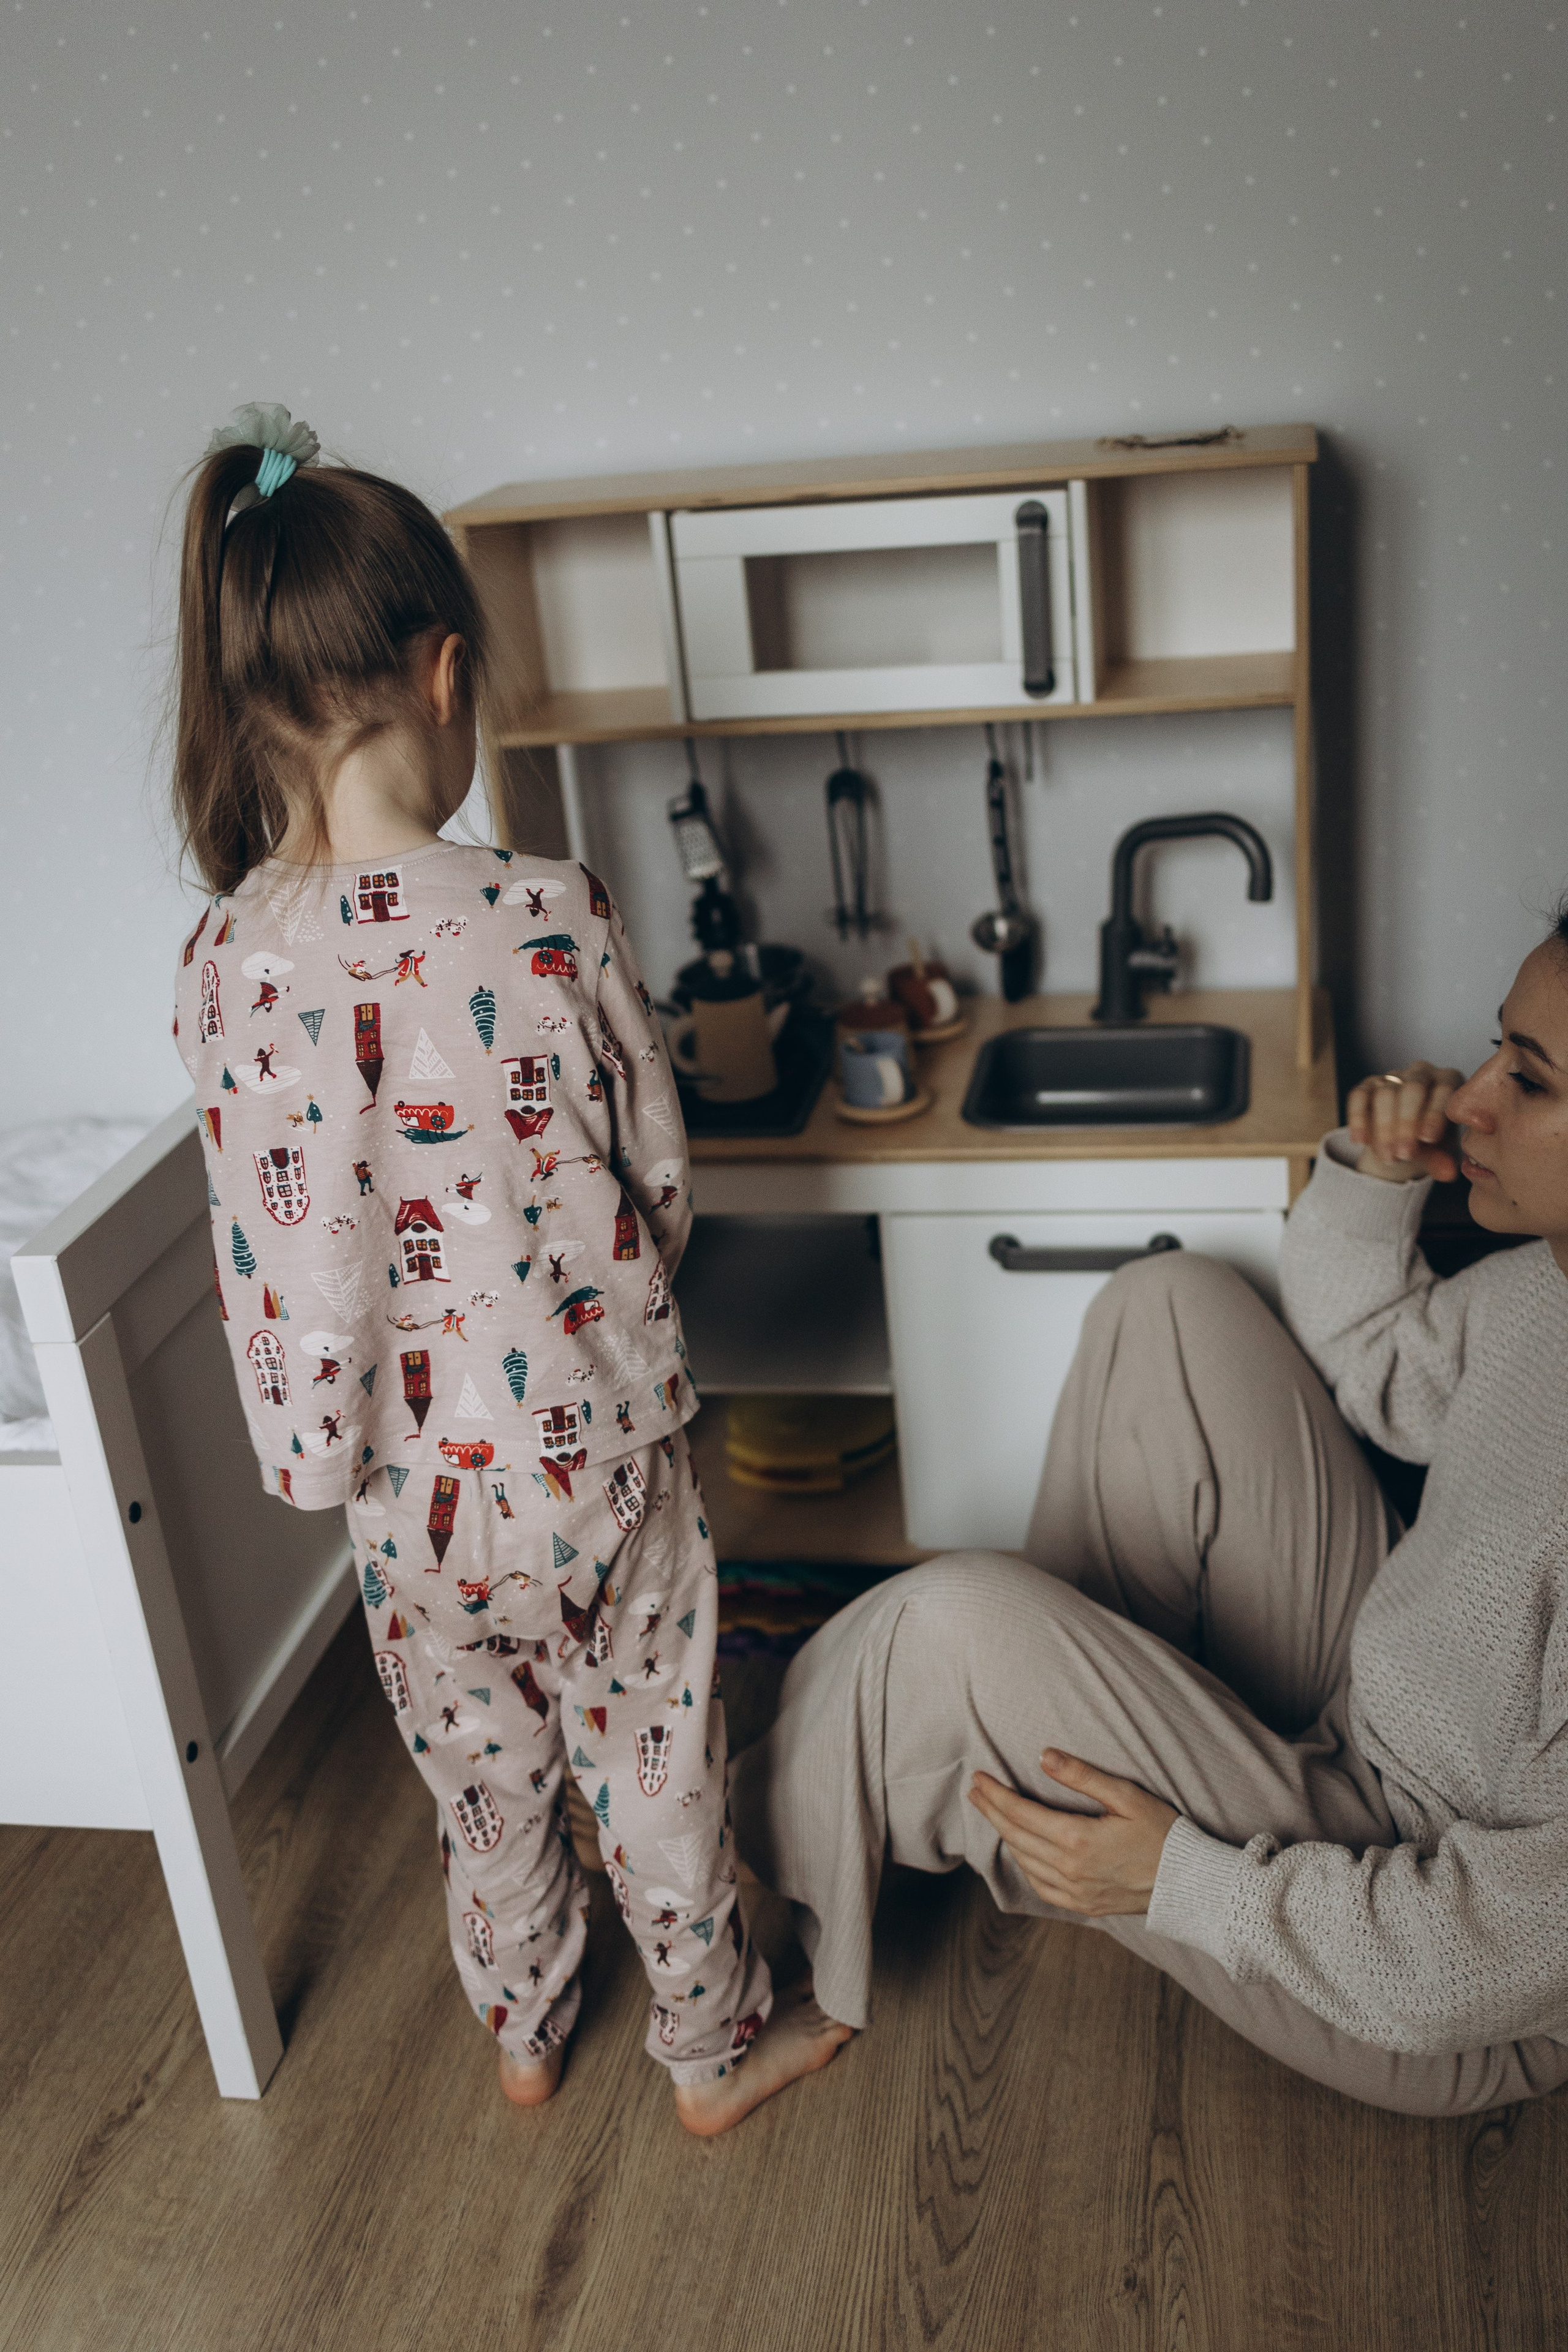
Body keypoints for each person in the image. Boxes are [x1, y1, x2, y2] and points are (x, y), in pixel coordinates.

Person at [170, 402, 848, 2133]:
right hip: (598, 1460)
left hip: (402, 1504)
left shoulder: (229, 960)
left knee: (482, 1776)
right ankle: (709, 2055)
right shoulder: (547, 914)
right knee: (653, 1754)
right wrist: (614, 1300)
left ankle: (527, 2025)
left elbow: (259, 1243)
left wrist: (321, 1454)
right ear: (447, 672)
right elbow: (660, 1181)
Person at [734, 918, 1568, 2116]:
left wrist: (1185, 1883)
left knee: (954, 1620)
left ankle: (703, 1843)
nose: (1470, 1098)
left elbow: (1473, 1963)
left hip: (1413, 1940)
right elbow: (1380, 1366)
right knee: (1168, 1306)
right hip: (1376, 1710)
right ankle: (1034, 1773)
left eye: (1527, 1081)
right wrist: (1372, 1179)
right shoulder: (1541, 1284)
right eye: (1495, 1051)